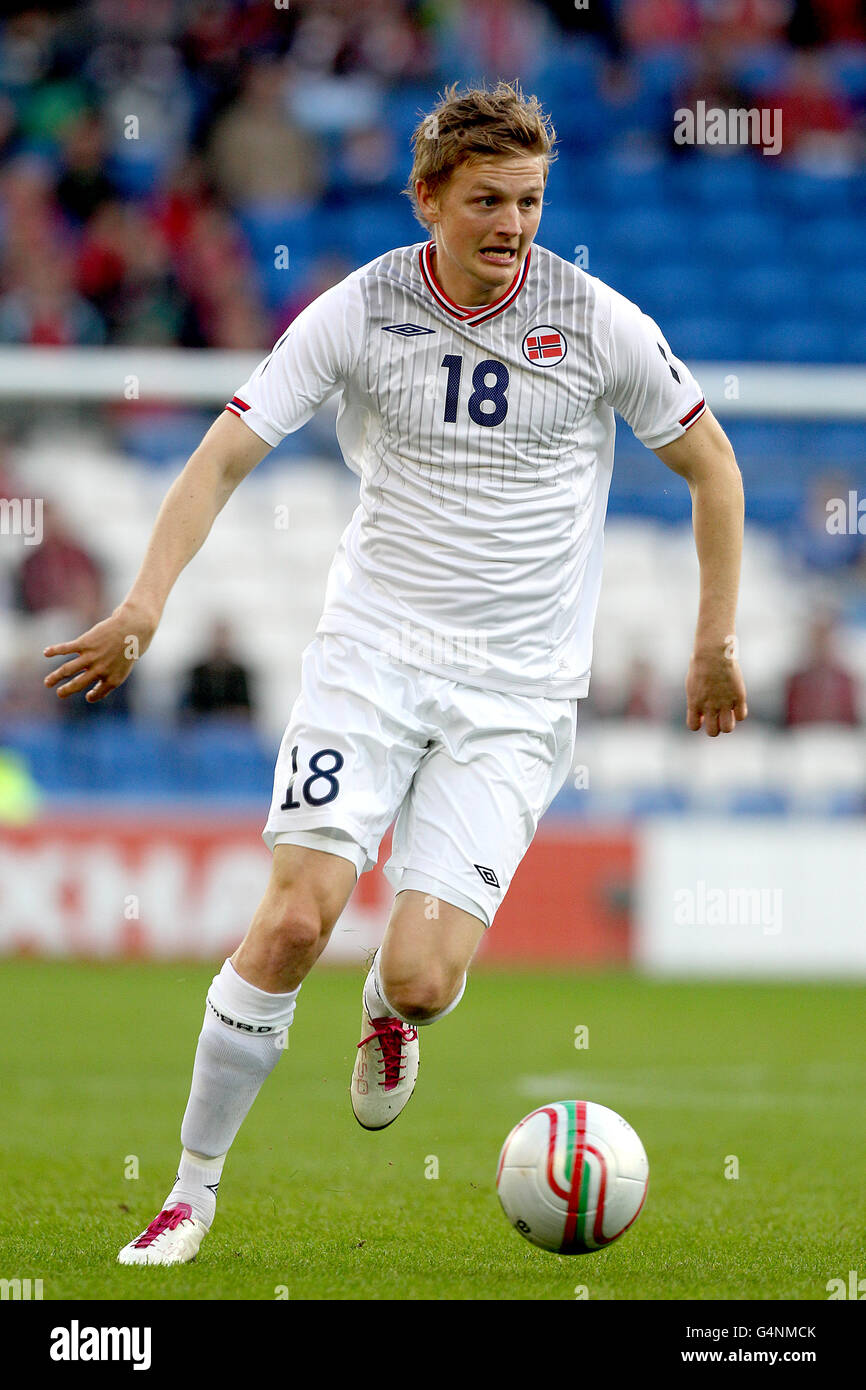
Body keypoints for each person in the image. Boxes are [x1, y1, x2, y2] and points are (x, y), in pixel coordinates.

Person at [43, 80, 748, 1267]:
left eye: (528, 199)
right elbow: (221, 458)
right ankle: (190, 1190)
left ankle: (386, 1014)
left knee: (421, 977)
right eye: (486, 199)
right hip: (370, 661)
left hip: (515, 698)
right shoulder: (359, 310)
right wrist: (143, 605)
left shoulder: (595, 322)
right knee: (289, 925)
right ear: (427, 199)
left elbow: (713, 469)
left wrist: (712, 639)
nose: (511, 223)